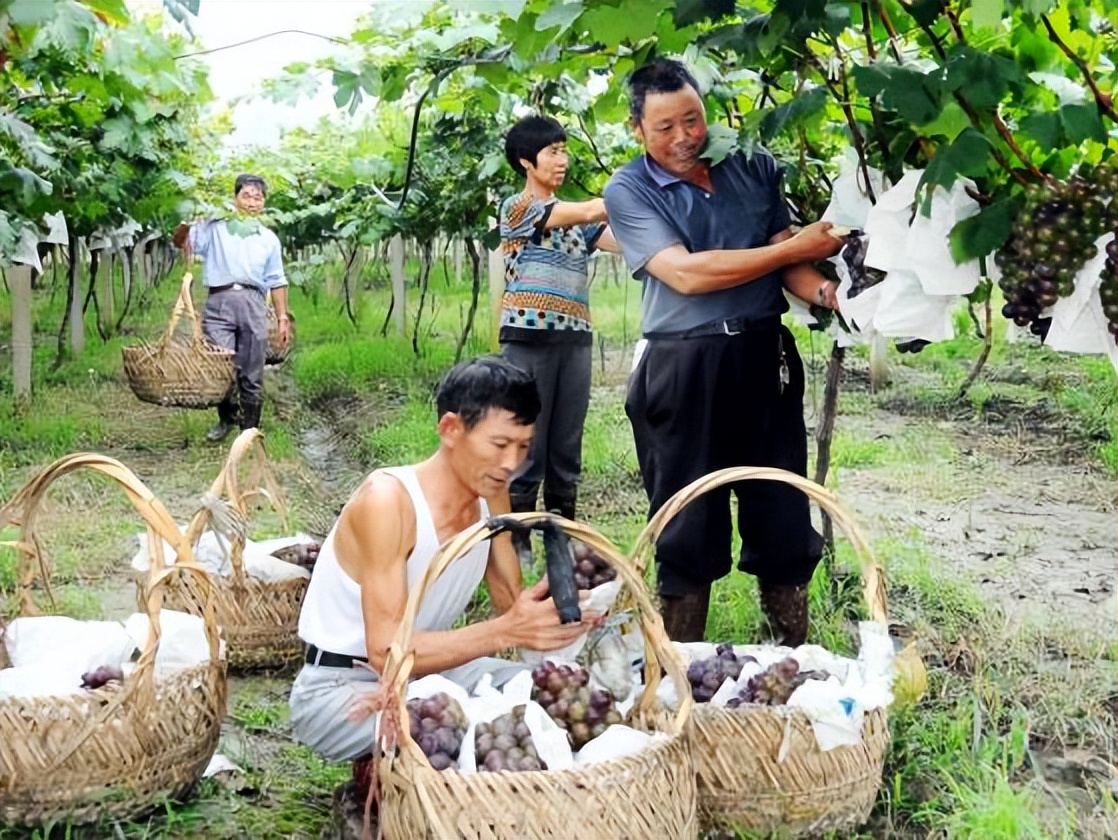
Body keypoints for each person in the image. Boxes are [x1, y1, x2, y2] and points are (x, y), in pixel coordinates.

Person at [602, 58, 843, 646]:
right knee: (687, 525)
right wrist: (797, 245)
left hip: (765, 359)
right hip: (683, 366)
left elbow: (786, 255)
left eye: (693, 119)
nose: (685, 137)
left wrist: (835, 294)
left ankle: (791, 661)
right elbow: (685, 273)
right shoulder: (627, 189)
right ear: (638, 129)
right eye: (665, 127)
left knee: (782, 512)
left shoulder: (753, 166)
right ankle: (682, 676)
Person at [288, 356, 595, 763]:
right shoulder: (388, 502)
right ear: (450, 429)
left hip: (427, 676)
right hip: (343, 688)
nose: (511, 464)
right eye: (500, 444)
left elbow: (510, 601)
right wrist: (508, 631)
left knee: (555, 695)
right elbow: (386, 652)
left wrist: (565, 618)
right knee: (462, 733)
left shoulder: (492, 491)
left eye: (523, 447)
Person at [498, 115, 618, 562]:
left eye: (565, 150)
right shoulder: (518, 208)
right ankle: (518, 539)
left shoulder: (576, 223)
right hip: (528, 337)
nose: (562, 159)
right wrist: (628, 191)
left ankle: (560, 534)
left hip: (575, 338)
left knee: (567, 442)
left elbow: (617, 238)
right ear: (527, 161)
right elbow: (590, 210)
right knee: (527, 438)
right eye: (553, 151)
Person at [172, 174, 290, 442]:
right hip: (220, 302)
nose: (252, 202)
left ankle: (249, 431)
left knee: (251, 371)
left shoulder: (269, 238)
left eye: (258, 197)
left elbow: (277, 279)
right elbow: (182, 243)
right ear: (234, 199)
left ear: (264, 203)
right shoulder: (216, 226)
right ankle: (226, 418)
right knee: (221, 366)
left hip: (253, 303)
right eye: (246, 195)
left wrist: (282, 316)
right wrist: (187, 222)